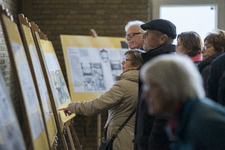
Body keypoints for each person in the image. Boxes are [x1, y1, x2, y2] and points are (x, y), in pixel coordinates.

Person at [59, 50, 143, 150]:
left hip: (120, 141)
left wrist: (72, 107)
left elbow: (96, 106)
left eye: (126, 60)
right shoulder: (145, 84)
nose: (122, 63)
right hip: (132, 139)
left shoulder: (123, 86)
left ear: (136, 65)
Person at [140, 54, 225, 150]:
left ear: (172, 86)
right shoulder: (182, 118)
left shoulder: (205, 123)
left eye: (151, 86)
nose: (145, 95)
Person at [134, 19, 176, 150]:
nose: (143, 37)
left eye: (148, 33)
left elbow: (163, 112)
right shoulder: (153, 61)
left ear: (162, 38)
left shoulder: (163, 64)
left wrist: (151, 142)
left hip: (154, 142)